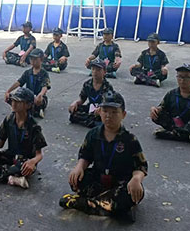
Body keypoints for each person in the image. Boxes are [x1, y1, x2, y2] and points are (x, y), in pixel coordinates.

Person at [59, 92, 147, 222]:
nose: (108, 116)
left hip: (120, 183)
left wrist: (136, 178)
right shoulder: (93, 134)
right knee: (77, 180)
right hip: (99, 178)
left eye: (114, 112)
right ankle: (109, 206)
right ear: (99, 112)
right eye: (105, 111)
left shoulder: (130, 139)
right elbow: (85, 156)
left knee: (132, 194)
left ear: (123, 115)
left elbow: (141, 166)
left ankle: (85, 203)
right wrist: (79, 167)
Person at [0, 87, 46, 189]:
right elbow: (0, 143)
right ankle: (9, 177)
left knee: (23, 168)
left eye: (18, 101)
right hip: (10, 155)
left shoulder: (33, 126)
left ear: (28, 105)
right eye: (13, 100)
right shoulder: (9, 119)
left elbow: (39, 155)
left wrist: (32, 162)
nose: (14, 103)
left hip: (24, 160)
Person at [150, 64, 190, 144]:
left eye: (186, 77)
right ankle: (184, 135)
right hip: (173, 122)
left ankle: (171, 133)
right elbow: (162, 107)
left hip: (188, 124)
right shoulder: (171, 94)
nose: (182, 80)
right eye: (180, 77)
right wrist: (154, 110)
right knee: (156, 115)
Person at [4, 48, 50, 119]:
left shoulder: (44, 73)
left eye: (35, 59)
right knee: (11, 97)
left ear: (41, 59)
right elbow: (19, 82)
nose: (33, 61)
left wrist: (40, 94)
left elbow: (45, 86)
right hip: (28, 96)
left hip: (39, 97)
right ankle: (22, 108)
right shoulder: (28, 72)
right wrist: (8, 91)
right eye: (31, 59)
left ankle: (34, 109)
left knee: (39, 101)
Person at [69, 59, 115, 128]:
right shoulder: (87, 84)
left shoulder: (107, 86)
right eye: (93, 69)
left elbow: (108, 104)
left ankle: (90, 121)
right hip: (91, 108)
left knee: (106, 115)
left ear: (104, 72)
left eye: (98, 70)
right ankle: (93, 122)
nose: (95, 72)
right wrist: (75, 103)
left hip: (101, 110)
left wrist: (101, 109)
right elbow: (82, 99)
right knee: (74, 111)